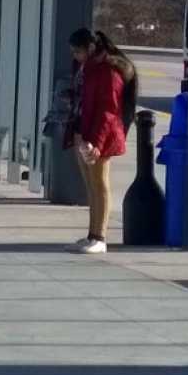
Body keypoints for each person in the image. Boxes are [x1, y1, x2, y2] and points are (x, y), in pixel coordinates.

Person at [64, 28, 137, 254]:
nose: (75, 56)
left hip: (99, 134)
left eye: (78, 51)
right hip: (82, 130)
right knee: (91, 186)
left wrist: (96, 142)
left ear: (92, 48)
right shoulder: (86, 67)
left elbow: (108, 110)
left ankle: (100, 236)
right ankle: (91, 234)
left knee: (100, 184)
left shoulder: (108, 71)